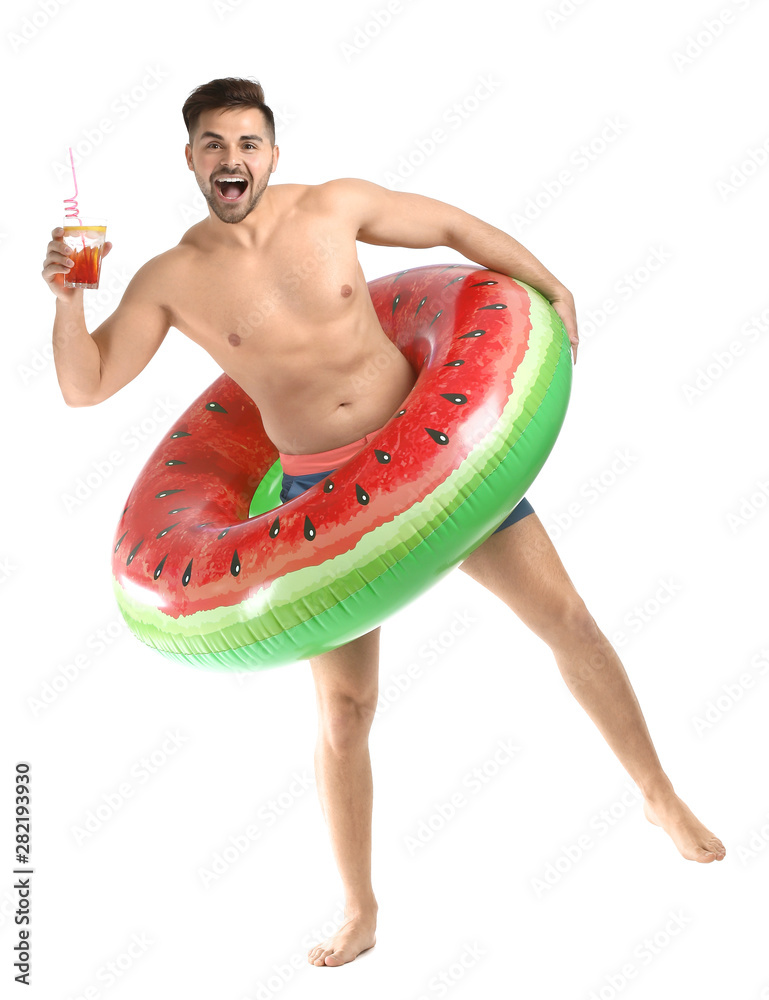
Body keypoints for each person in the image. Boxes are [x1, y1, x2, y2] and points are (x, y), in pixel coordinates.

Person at [43, 76, 725, 969]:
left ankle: (657, 794)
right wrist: (68, 297)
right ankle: (360, 908)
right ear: (191, 161)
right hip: (315, 500)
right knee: (345, 710)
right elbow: (84, 386)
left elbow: (450, 229)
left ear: (272, 152)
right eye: (213, 146)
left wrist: (548, 281)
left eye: (247, 143)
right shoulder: (171, 279)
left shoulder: (332, 208)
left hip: (435, 461)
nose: (231, 160)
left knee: (567, 619)